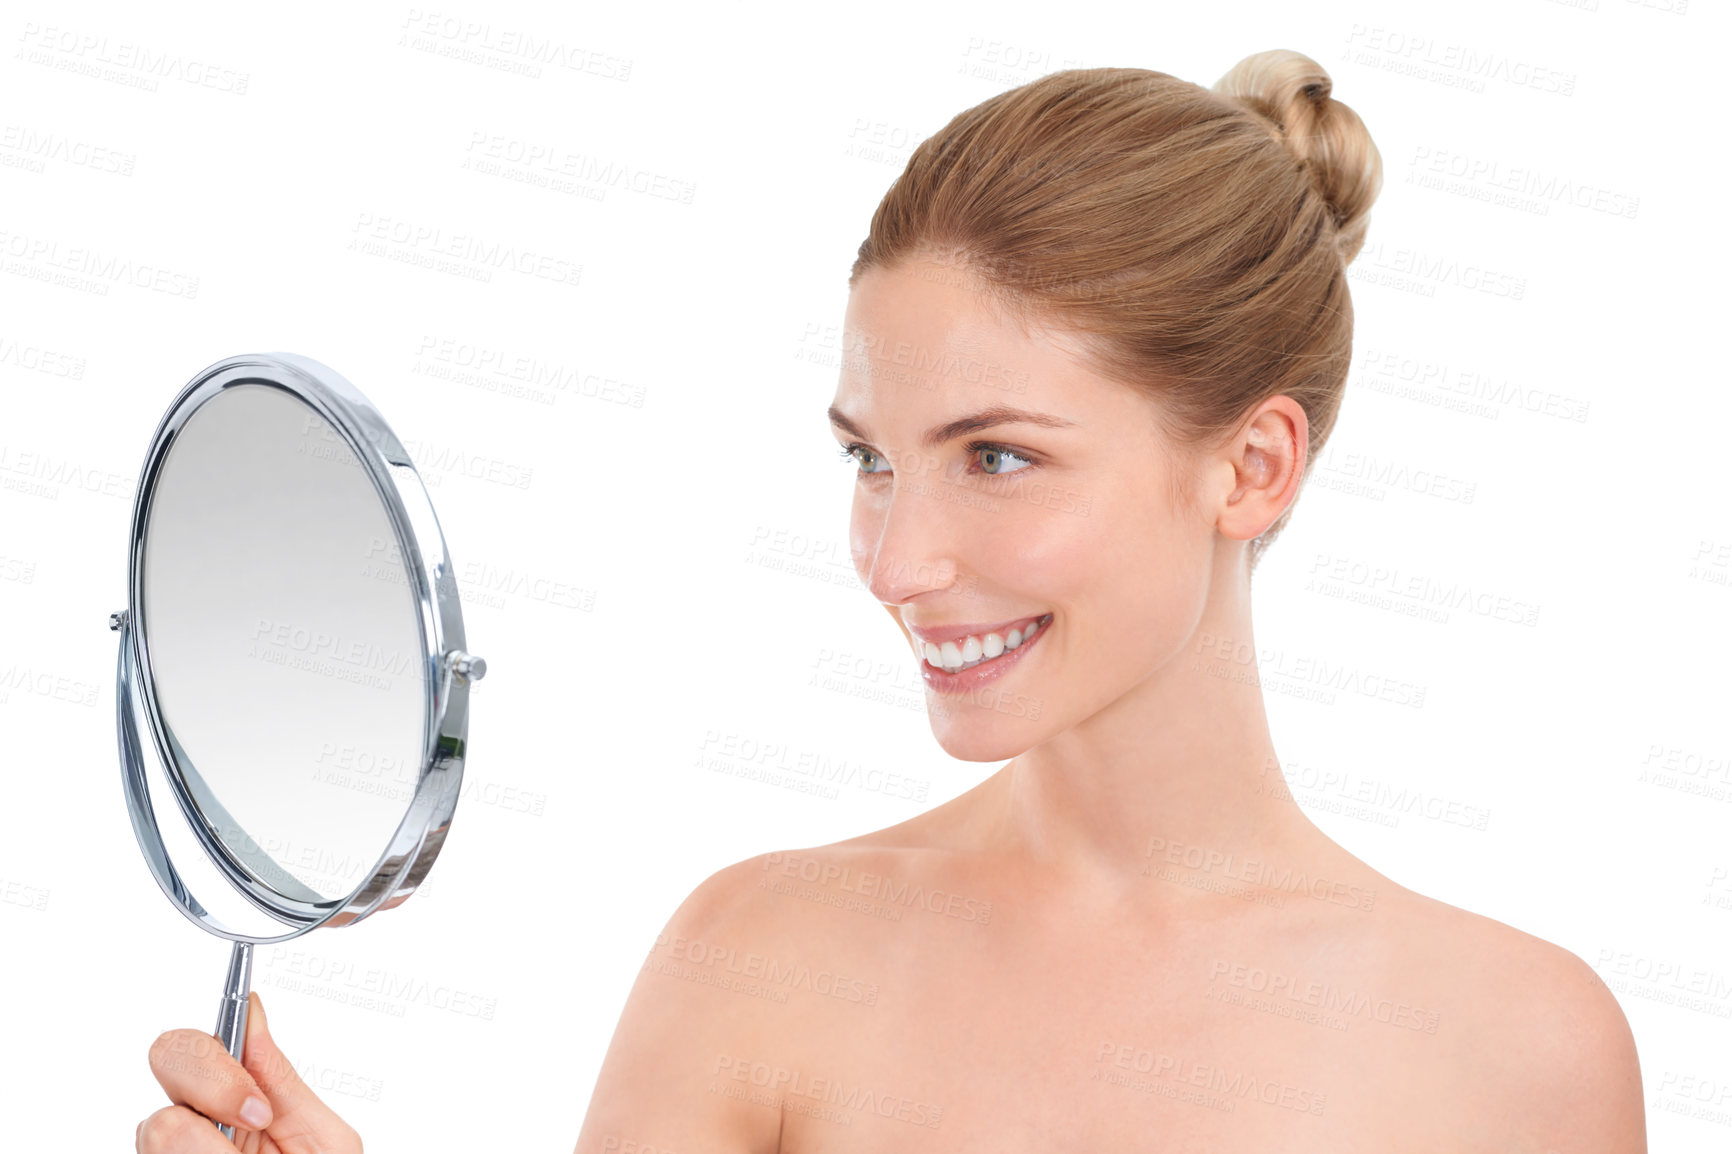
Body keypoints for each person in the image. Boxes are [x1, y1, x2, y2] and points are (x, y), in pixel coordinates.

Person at [136, 49, 1647, 1153]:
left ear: (1252, 466)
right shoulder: (764, 960)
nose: (900, 560)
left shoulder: (1519, 1052)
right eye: (871, 459)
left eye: (998, 455)